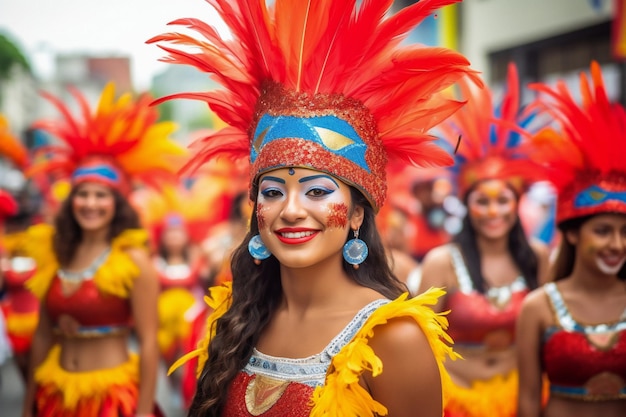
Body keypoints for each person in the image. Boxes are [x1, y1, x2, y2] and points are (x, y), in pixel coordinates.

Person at [149, 0, 481, 415]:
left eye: (318, 191)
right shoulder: (235, 321)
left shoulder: (393, 339)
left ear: (358, 213)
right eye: (271, 192)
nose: (290, 210)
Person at [20, 83, 186, 417]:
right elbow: (41, 336)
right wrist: (28, 406)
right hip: (55, 398)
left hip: (113, 402)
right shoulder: (55, 253)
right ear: (71, 200)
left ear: (117, 203)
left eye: (102, 195)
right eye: (83, 194)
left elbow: (149, 343)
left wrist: (141, 411)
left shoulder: (135, 261)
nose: (90, 204)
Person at [418, 63, 551, 417]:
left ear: (517, 202)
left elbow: (552, 334)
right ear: (467, 205)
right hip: (457, 402)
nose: (494, 212)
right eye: (482, 201)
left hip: (524, 398)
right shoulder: (442, 261)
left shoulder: (537, 257)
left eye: (503, 200)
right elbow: (420, 346)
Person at [517, 61, 626, 417]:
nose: (617, 244)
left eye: (625, 232)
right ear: (573, 234)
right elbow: (529, 400)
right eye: (603, 231)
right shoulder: (537, 307)